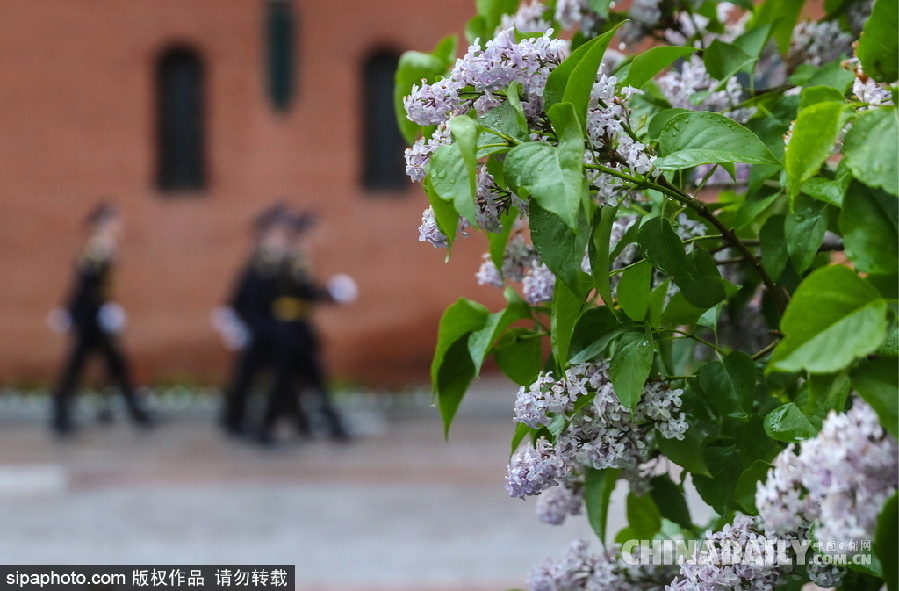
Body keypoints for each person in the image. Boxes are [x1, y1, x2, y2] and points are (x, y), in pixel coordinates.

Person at [256, 210, 356, 447]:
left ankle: (332, 425)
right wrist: (329, 295)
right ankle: (267, 427)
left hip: (298, 326)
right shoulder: (294, 255)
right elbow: (302, 289)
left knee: (312, 378)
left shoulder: (295, 255)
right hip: (289, 329)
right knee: (286, 380)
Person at [50, 203, 150, 436]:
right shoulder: (98, 248)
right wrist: (93, 309)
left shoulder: (104, 247)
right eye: (116, 221)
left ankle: (136, 412)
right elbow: (86, 286)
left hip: (95, 315)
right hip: (90, 318)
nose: (120, 226)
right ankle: (61, 415)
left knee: (116, 364)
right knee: (81, 365)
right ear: (104, 223)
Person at [216, 204, 312, 438]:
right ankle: (238, 421)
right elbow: (246, 295)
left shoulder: (279, 258)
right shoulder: (262, 259)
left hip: (271, 329)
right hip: (260, 328)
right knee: (251, 376)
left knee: (277, 377)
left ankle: (271, 423)